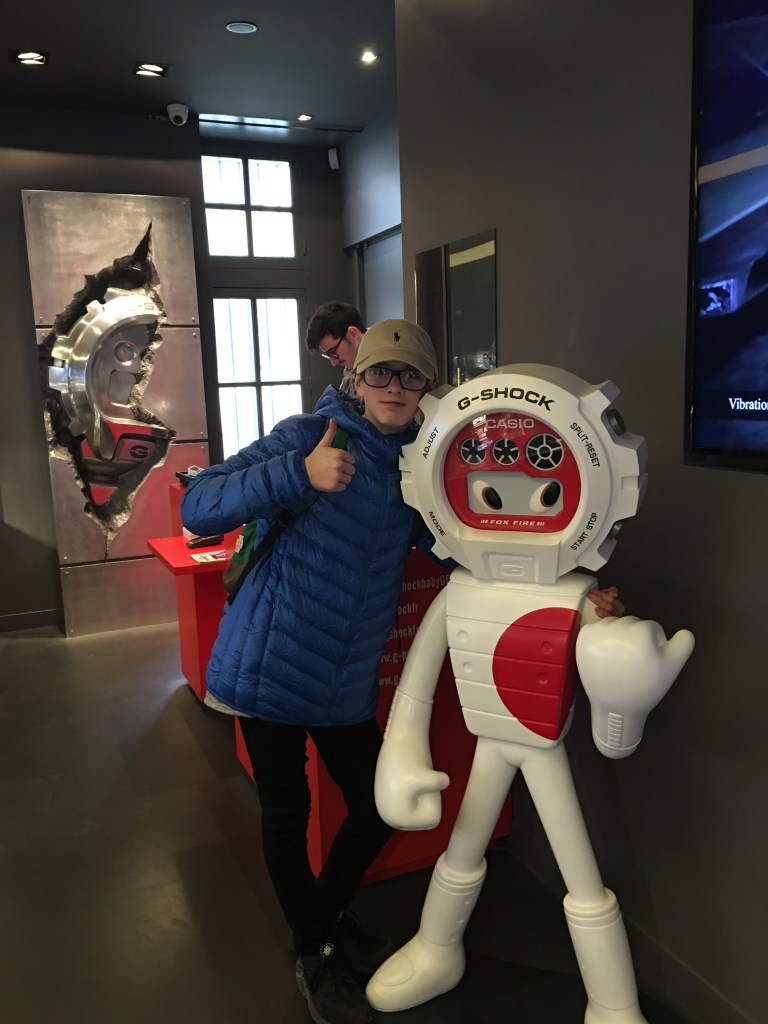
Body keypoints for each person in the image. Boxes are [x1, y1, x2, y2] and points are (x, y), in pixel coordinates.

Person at [181, 319, 443, 1024]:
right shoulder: (308, 436)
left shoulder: (422, 466)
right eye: (379, 372)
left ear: (427, 385)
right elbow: (197, 505)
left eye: (409, 374)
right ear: (356, 378)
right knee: (287, 815)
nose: (393, 387)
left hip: (345, 680)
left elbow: (457, 546)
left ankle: (320, 922)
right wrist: (299, 474)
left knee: (379, 805)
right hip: (269, 666)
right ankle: (315, 948)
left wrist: (568, 585)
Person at [305, 300, 367, 394]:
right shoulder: (351, 368)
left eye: (333, 352)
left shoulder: (386, 365)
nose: (333, 363)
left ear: (352, 334)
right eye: (328, 355)